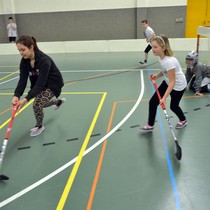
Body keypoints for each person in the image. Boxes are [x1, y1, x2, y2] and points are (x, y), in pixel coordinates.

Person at [12, 35, 65, 137]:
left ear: (31, 47)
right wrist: (16, 95)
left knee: (37, 105)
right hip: (40, 84)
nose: (21, 53)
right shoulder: (24, 61)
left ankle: (39, 126)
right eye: (19, 50)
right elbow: (22, 80)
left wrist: (25, 99)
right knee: (41, 103)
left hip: (53, 84)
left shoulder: (44, 61)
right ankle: (57, 102)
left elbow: (41, 83)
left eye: (23, 50)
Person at [140, 34, 187, 132]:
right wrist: (157, 76)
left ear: (163, 47)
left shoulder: (168, 61)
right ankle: (150, 125)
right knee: (153, 102)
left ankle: (183, 120)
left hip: (178, 85)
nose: (153, 49)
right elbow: (165, 71)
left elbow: (173, 81)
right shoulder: (160, 57)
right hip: (168, 81)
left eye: (155, 47)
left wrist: (164, 98)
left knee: (173, 106)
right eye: (152, 46)